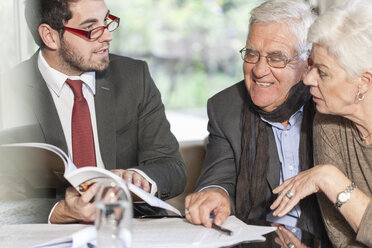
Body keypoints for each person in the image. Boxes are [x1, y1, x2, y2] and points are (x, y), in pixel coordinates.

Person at [1, 0, 186, 224]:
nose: (107, 36)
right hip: (48, 233)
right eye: (90, 29)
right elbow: (6, 195)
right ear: (50, 36)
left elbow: (171, 166)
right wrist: (61, 211)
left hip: (132, 225)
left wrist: (142, 179)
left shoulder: (135, 77)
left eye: (106, 21)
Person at [184, 0, 327, 240]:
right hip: (260, 240)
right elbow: (218, 178)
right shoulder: (226, 107)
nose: (259, 70)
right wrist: (214, 192)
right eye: (252, 54)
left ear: (307, 62)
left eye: (276, 58)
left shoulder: (330, 103)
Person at [270, 0, 372, 247]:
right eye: (312, 65)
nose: (308, 79)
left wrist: (329, 179)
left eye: (323, 72)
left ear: (364, 82)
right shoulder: (327, 121)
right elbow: (342, 240)